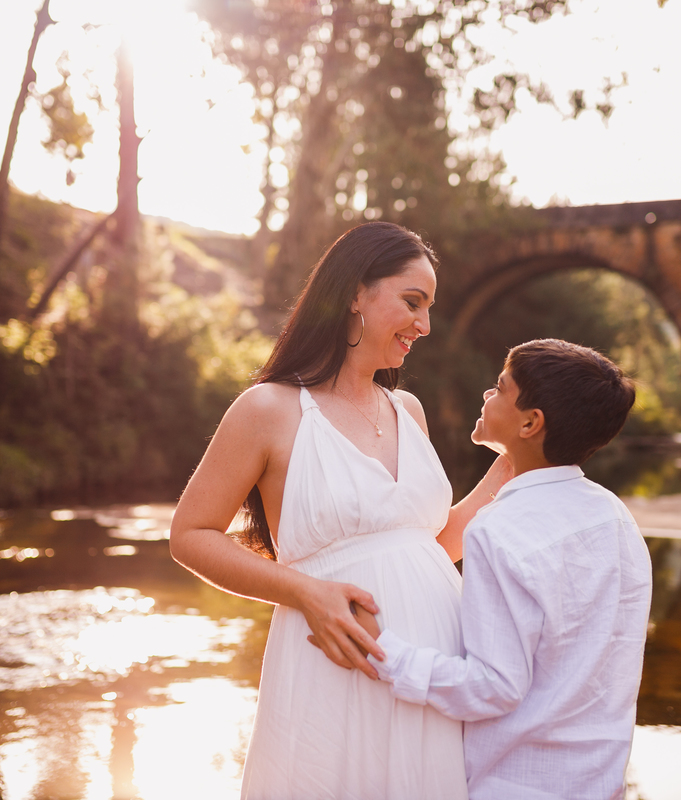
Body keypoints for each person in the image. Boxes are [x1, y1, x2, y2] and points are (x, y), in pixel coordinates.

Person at [168, 221, 511, 799]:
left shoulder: (408, 409)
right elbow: (191, 534)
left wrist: (510, 463)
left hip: (431, 667)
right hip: (335, 661)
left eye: (428, 309)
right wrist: (306, 594)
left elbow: (431, 545)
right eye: (411, 302)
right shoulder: (269, 409)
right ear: (355, 292)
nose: (424, 325)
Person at [356, 338, 653, 800]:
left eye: (500, 388)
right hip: (598, 781)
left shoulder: (499, 530)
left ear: (531, 422)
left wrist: (384, 652)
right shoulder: (613, 515)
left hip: (515, 784)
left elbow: (492, 688)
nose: (485, 396)